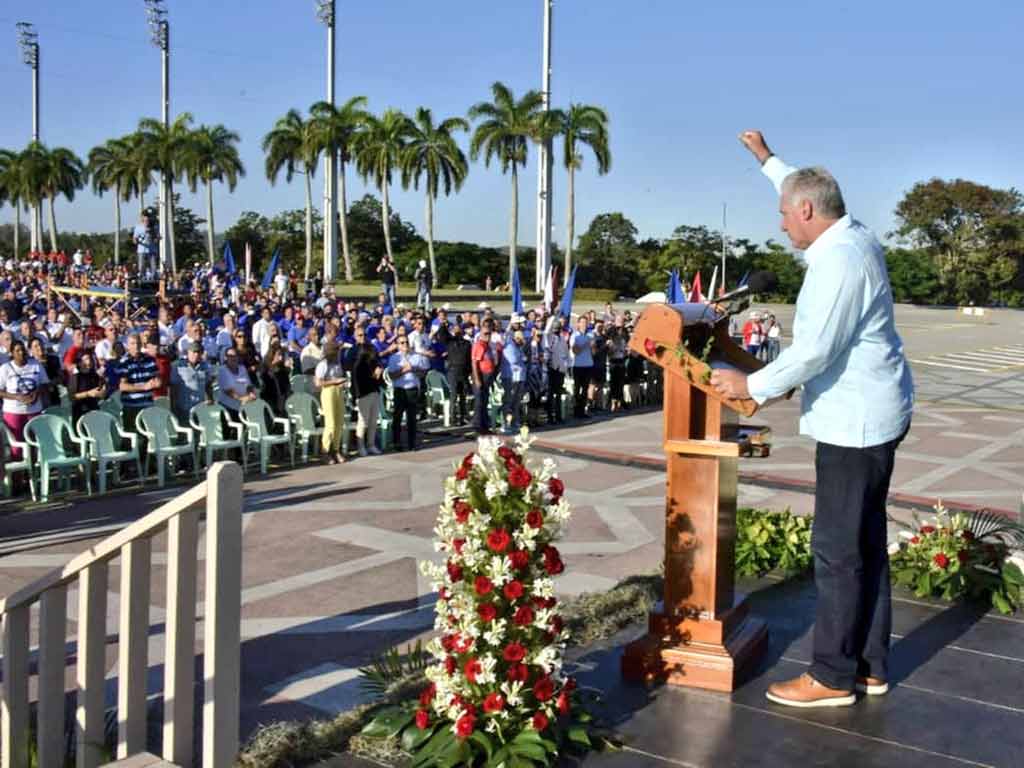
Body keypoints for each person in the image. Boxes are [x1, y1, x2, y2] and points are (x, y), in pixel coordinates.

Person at [711, 130, 914, 709]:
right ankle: (869, 666)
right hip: (873, 416)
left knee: (838, 551)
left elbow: (815, 349)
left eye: (784, 214)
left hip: (855, 427)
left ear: (806, 212)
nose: (781, 225)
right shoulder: (846, 232)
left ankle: (830, 676)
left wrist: (750, 386)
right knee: (865, 545)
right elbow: (802, 187)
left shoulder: (839, 262)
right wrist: (769, 161)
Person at [0, 340, 49, 459]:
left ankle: (33, 475)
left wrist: (36, 393)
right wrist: (16, 396)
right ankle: (19, 476)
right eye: (17, 350)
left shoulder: (36, 365)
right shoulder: (5, 368)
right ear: (11, 353)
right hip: (14, 412)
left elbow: (45, 384)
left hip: (34, 410)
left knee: (34, 443)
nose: (21, 353)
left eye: (22, 349)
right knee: (17, 447)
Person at [387, 335, 426, 450]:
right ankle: (396, 442)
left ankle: (411, 443)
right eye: (402, 343)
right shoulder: (394, 358)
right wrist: (404, 370)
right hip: (400, 389)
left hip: (412, 389)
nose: (405, 345)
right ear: (398, 345)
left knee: (412, 418)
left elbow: (422, 374)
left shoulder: (416, 357)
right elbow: (392, 376)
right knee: (397, 417)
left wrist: (413, 369)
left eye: (406, 342)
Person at [350, 326, 383, 456]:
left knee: (373, 420)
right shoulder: (354, 354)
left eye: (364, 334)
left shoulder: (371, 349)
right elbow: (355, 376)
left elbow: (378, 361)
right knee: (363, 420)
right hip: (363, 391)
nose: (362, 337)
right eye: (359, 335)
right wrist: (356, 395)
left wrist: (379, 368)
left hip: (374, 388)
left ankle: (371, 444)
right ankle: (360, 446)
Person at [119, 333, 160, 434]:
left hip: (148, 405)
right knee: (133, 437)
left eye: (138, 343)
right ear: (128, 346)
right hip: (132, 406)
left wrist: (157, 382)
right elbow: (122, 386)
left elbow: (157, 378)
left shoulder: (150, 360)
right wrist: (143, 387)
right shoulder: (124, 362)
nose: (136, 346)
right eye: (132, 343)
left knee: (149, 437)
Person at [314, 340, 347, 464]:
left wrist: (342, 382)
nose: (339, 352)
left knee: (339, 422)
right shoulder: (323, 364)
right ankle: (325, 450)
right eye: (337, 350)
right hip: (328, 392)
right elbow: (318, 383)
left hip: (339, 392)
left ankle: (336, 449)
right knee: (331, 423)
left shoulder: (337, 363)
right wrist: (335, 381)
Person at [170, 342, 211, 424]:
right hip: (184, 408)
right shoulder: (178, 366)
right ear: (188, 352)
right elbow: (173, 388)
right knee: (185, 433)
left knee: (201, 434)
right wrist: (173, 407)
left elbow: (208, 384)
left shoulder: (205, 366)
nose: (196, 354)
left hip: (200, 408)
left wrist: (210, 398)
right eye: (194, 352)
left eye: (199, 352)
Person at [471, 323, 500, 435]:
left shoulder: (488, 345)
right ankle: (477, 425)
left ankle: (484, 424)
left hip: (488, 375)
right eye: (485, 334)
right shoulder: (479, 345)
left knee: (485, 400)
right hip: (481, 375)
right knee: (479, 401)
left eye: (489, 334)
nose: (488, 336)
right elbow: (474, 363)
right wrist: (477, 379)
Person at [68, 349, 106, 425]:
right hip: (81, 412)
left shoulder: (94, 374)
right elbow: (71, 396)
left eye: (90, 358)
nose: (89, 361)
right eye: (86, 359)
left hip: (94, 409)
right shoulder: (76, 376)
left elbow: (99, 391)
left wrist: (103, 390)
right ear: (79, 362)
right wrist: (88, 394)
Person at [500, 330, 527, 434]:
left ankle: (515, 423)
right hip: (510, 377)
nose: (522, 342)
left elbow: (524, 359)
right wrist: (522, 358)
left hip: (520, 377)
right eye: (521, 339)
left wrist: (522, 358)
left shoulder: (518, 348)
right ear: (516, 338)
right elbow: (513, 360)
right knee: (508, 402)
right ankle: (504, 424)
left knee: (516, 402)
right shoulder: (509, 346)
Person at [544, 316, 569, 424]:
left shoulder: (562, 338)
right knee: (550, 394)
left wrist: (565, 365)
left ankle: (558, 416)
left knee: (558, 394)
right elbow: (546, 332)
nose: (556, 330)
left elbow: (566, 353)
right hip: (551, 368)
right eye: (555, 328)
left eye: (558, 328)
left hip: (560, 369)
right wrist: (552, 318)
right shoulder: (550, 338)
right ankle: (550, 416)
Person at [570, 315, 593, 419]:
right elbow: (575, 351)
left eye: (585, 323)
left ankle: (582, 410)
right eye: (582, 322)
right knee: (577, 389)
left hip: (588, 365)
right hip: (578, 365)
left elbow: (594, 352)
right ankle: (576, 410)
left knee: (585, 389)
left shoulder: (590, 335)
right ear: (578, 324)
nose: (584, 325)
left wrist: (593, 346)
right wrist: (585, 344)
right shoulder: (574, 336)